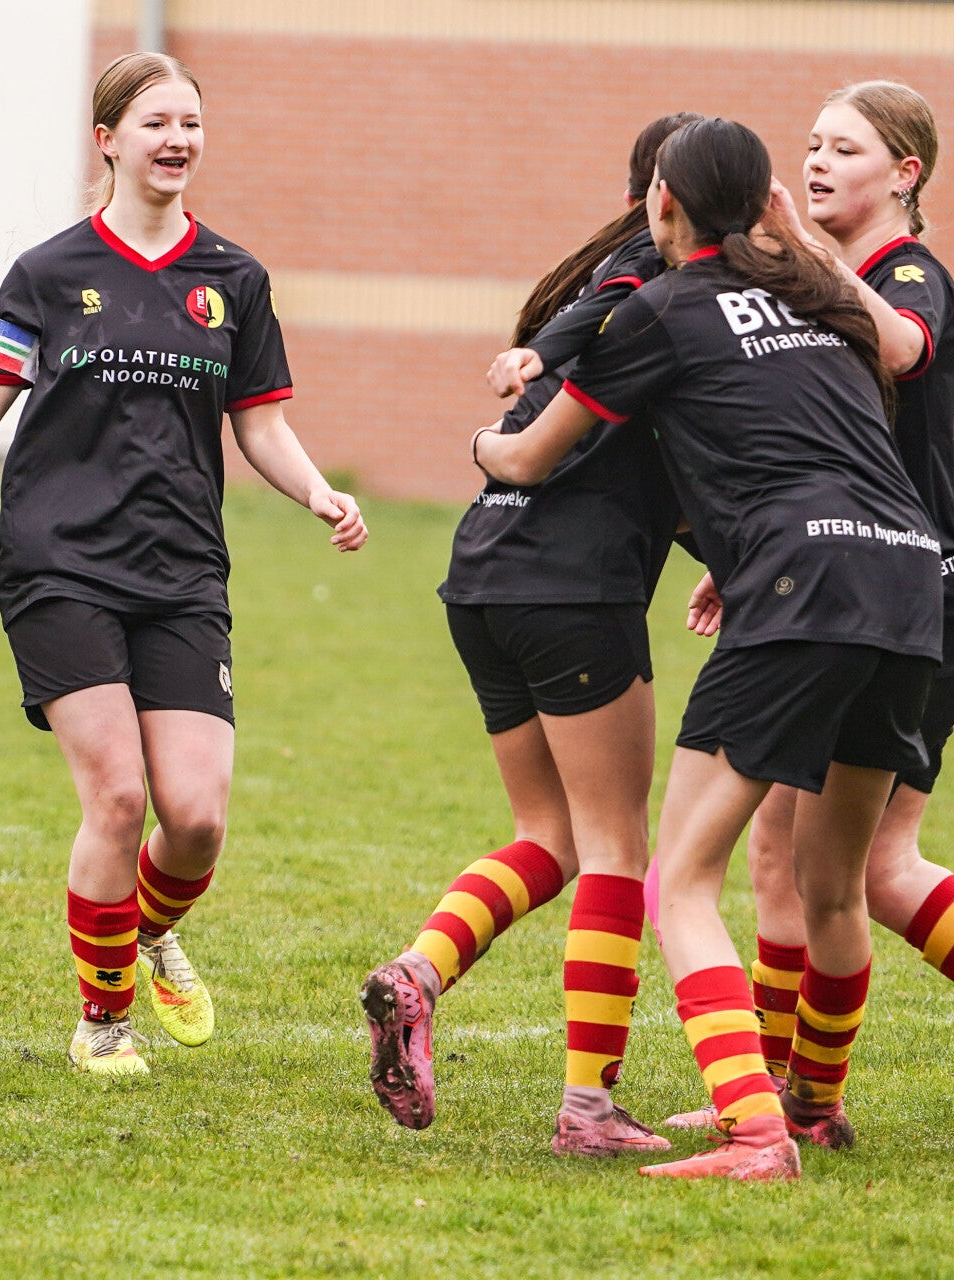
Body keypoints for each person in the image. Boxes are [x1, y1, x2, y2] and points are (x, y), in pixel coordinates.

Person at [0, 52, 366, 1077]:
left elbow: (261, 425)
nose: (178, 141)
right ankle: (103, 1023)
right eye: (155, 124)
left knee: (198, 818)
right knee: (119, 798)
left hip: (183, 570)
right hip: (59, 564)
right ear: (107, 141)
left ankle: (144, 928)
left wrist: (319, 490)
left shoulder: (234, 279)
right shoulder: (49, 273)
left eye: (191, 123)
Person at [478, 117, 946, 1182]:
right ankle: (810, 1104)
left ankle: (756, 1132)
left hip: (803, 588)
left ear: (661, 205)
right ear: (770, 203)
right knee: (834, 881)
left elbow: (532, 458)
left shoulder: (662, 307)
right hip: (908, 580)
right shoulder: (821, 300)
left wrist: (481, 443)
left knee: (681, 878)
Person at [664, 81, 954, 1146]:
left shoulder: (907, 274)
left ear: (906, 173)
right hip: (868, 585)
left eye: (846, 149)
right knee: (800, 859)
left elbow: (903, 348)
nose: (817, 163)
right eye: (812, 144)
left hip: (922, 597)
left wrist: (791, 249)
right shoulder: (841, 279)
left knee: (848, 863)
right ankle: (795, 1094)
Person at [360, 113, 702, 1157]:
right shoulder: (658, 284)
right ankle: (589, 1107)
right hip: (573, 590)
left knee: (548, 836)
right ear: (670, 197)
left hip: (484, 573)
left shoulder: (596, 278)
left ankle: (419, 972)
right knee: (616, 846)